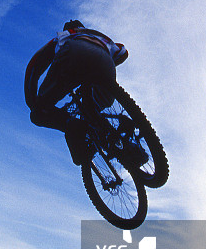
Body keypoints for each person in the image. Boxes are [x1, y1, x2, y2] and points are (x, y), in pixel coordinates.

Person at [24, 21, 128, 165]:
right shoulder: (101, 37)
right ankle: (118, 133)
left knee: (38, 113)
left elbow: (34, 65)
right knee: (93, 108)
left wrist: (32, 102)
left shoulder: (66, 35)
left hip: (75, 52)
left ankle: (71, 124)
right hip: (106, 60)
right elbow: (123, 52)